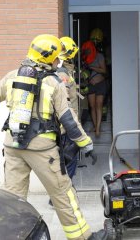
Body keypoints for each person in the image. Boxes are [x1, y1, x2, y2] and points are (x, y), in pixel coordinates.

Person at [0, 34, 107, 240]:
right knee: (63, 193)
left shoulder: (13, 76)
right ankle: (83, 237)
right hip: (42, 150)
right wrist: (86, 143)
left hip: (13, 146)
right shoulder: (53, 83)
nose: (58, 62)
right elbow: (68, 118)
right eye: (56, 58)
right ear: (48, 58)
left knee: (13, 198)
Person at [54, 36, 80, 179]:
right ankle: (64, 195)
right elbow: (65, 103)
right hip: (66, 127)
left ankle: (61, 194)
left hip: (66, 124)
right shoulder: (63, 73)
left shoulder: (64, 71)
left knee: (65, 161)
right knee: (68, 161)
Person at [81, 37, 107, 137]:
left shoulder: (99, 56)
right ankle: (96, 126)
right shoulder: (84, 59)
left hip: (100, 84)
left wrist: (91, 67)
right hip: (90, 85)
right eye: (85, 50)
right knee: (92, 106)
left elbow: (104, 71)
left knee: (98, 105)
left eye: (88, 50)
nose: (86, 51)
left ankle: (98, 129)